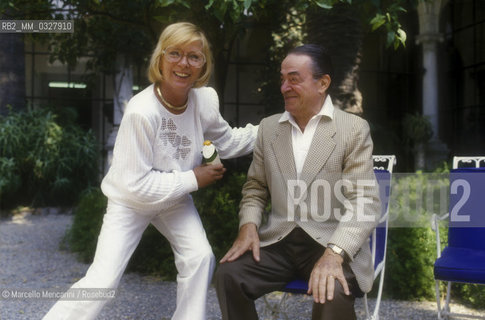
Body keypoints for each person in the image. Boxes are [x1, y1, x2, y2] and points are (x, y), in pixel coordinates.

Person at [43, 22, 257, 320]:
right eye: (175, 53)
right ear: (160, 58)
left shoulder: (203, 101)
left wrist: (274, 129)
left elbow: (229, 142)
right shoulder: (141, 111)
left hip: (174, 199)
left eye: (194, 56)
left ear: (203, 64)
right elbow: (135, 185)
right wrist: (194, 178)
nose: (184, 63)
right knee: (102, 282)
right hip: (130, 201)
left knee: (199, 258)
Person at [214, 44, 381, 320]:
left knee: (332, 291)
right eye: (282, 79)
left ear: (323, 83)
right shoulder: (269, 129)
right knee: (229, 275)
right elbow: (255, 188)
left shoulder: (352, 129)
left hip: (330, 240)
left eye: (294, 79)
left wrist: (335, 253)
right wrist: (248, 226)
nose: (284, 87)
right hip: (278, 244)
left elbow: (365, 201)